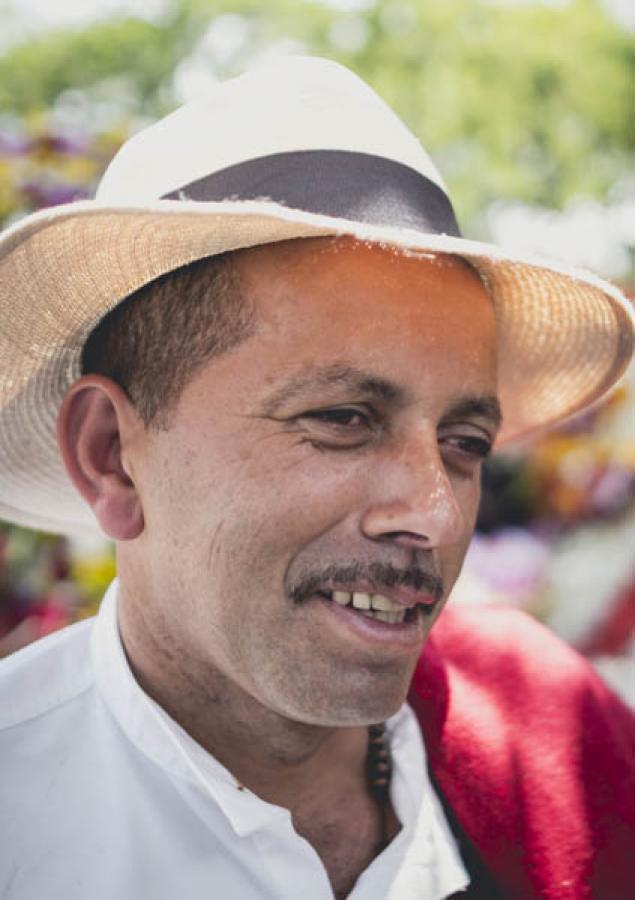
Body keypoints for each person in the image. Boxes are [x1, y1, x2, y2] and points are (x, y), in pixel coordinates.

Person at [0, 57, 633, 900]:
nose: (435, 517)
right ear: (112, 454)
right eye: (342, 419)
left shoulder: (556, 729)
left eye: (464, 441)